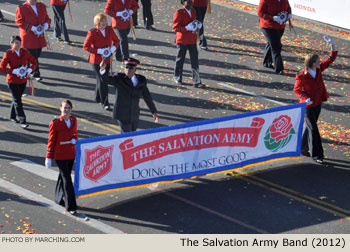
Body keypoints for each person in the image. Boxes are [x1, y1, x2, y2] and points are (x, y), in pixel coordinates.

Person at [294, 36, 337, 164]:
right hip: (307, 107)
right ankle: (317, 155)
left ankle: (302, 148)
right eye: (318, 61)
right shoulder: (301, 76)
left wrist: (332, 45)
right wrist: (305, 98)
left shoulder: (318, 70)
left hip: (317, 104)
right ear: (312, 64)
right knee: (313, 129)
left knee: (309, 127)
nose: (320, 62)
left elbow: (331, 59)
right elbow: (297, 90)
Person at [100, 58, 159, 132]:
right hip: (122, 114)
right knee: (127, 136)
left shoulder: (141, 80)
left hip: (134, 114)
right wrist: (102, 70)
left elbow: (147, 96)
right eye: (126, 67)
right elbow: (106, 80)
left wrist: (153, 111)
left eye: (131, 68)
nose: (128, 69)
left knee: (132, 134)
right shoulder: (119, 78)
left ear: (135, 69)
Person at [45, 99, 78, 214]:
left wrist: (75, 139)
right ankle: (71, 206)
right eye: (65, 108)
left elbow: (75, 133)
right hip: (60, 155)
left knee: (63, 176)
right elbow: (51, 140)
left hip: (70, 154)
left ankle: (58, 198)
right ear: (60, 109)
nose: (67, 110)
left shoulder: (74, 120)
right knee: (67, 180)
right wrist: (48, 156)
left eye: (69, 108)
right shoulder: (55, 123)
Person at [83, 13, 120, 111]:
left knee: (101, 79)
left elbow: (117, 41)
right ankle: (105, 103)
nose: (104, 23)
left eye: (105, 21)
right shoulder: (92, 32)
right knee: (103, 80)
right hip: (97, 61)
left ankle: (98, 97)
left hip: (107, 59)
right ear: (97, 23)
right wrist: (99, 51)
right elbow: (86, 47)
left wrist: (113, 48)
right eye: (102, 21)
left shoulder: (109, 30)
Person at [0, 36, 38, 129]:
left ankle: (12, 116)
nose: (18, 44)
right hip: (12, 81)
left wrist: (30, 69)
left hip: (23, 80)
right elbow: (2, 67)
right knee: (18, 101)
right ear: (11, 43)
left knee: (16, 98)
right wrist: (12, 71)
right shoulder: (8, 54)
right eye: (16, 42)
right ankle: (22, 120)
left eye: (19, 43)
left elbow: (34, 62)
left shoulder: (24, 52)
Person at [15, 0, 51, 81]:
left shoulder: (41, 6)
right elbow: (19, 21)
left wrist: (46, 24)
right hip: (29, 37)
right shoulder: (22, 8)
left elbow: (47, 18)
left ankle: (27, 67)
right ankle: (35, 73)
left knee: (37, 54)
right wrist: (32, 28)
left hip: (39, 37)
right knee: (33, 56)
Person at [173, 0, 203, 88]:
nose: (190, 4)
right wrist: (186, 28)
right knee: (180, 59)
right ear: (183, 2)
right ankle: (177, 77)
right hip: (182, 40)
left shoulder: (193, 11)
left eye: (191, 2)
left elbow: (193, 22)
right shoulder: (179, 12)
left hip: (192, 40)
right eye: (188, 2)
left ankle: (196, 80)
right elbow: (175, 27)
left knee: (195, 61)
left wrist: (197, 25)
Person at [257, 0, 291, 75]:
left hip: (280, 26)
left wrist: (289, 14)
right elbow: (260, 13)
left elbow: (288, 7)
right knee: (276, 46)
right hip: (268, 26)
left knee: (271, 43)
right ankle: (279, 68)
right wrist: (272, 18)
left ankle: (267, 62)